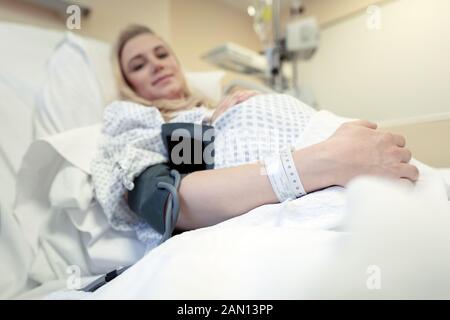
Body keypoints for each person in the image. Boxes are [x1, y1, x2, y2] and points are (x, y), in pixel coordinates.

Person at [91, 24, 418, 249]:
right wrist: (329, 161)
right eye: (138, 64)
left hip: (356, 155)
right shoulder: (146, 127)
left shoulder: (219, 101)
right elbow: (167, 203)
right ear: (129, 84)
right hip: (327, 172)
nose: (156, 65)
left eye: (161, 54)